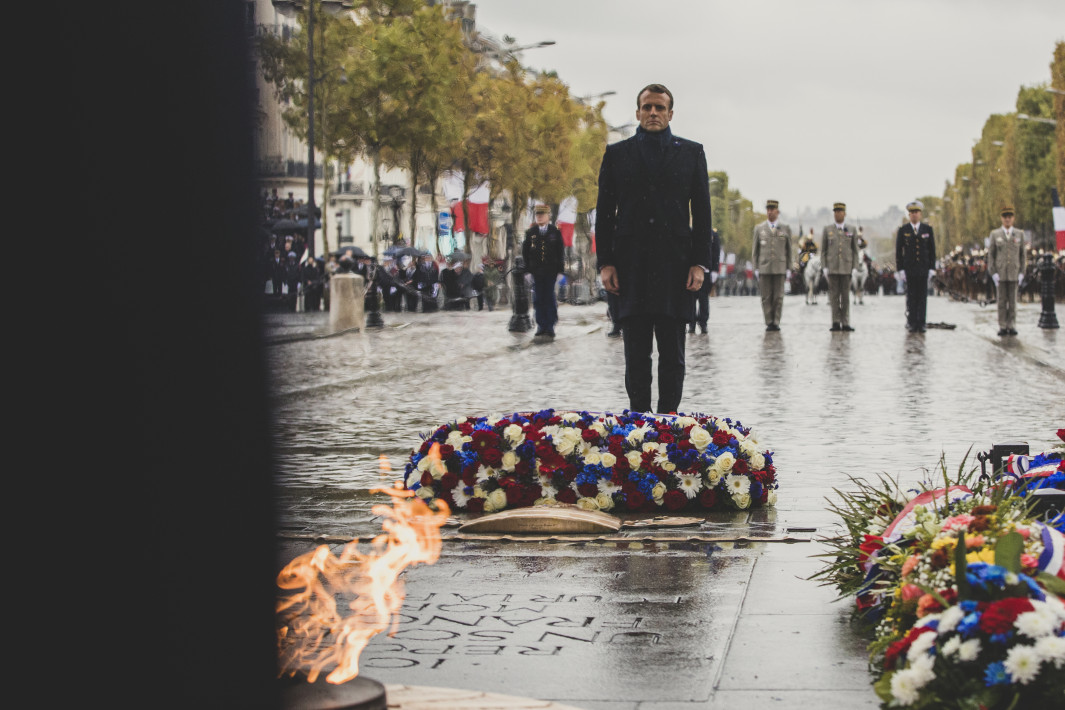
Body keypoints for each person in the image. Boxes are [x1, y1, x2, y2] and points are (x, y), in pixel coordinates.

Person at [595, 83, 712, 414]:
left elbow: (703, 213)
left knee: (673, 354)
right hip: (629, 268)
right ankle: (638, 423)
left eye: (660, 108)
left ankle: (669, 420)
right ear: (637, 112)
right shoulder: (617, 155)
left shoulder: (691, 153)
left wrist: (700, 264)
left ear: (670, 113)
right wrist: (605, 263)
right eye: (647, 107)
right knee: (635, 354)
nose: (653, 113)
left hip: (676, 267)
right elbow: (604, 214)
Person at [522, 203, 566, 337]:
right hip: (537, 272)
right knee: (538, 299)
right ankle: (541, 325)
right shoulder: (531, 233)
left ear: (548, 216)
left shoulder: (555, 232)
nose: (539, 217)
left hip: (551, 271)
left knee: (550, 298)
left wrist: (560, 271)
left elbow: (560, 252)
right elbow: (526, 253)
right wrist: (527, 271)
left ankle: (550, 325)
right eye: (537, 215)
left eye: (542, 215)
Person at [895, 200, 936, 332]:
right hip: (910, 269)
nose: (914, 215)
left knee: (922, 297)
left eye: (916, 212)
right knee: (911, 297)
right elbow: (898, 251)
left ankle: (921, 322)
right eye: (912, 212)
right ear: (909, 215)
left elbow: (932, 250)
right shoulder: (903, 230)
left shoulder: (927, 229)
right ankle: (912, 322)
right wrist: (900, 269)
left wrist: (932, 268)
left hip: (923, 268)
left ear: (920, 214)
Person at [752, 200, 792, 331]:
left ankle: (776, 321)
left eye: (772, 209)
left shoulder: (785, 228)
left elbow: (789, 250)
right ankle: (769, 321)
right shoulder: (759, 228)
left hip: (780, 267)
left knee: (778, 297)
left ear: (777, 211)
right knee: (766, 296)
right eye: (768, 209)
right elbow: (755, 251)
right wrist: (755, 268)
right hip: (764, 267)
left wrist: (789, 268)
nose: (769, 212)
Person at [987, 205, 1026, 336]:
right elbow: (991, 255)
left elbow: (1023, 255)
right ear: (1001, 218)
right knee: (1002, 302)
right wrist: (993, 273)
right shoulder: (995, 234)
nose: (1007, 219)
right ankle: (1003, 325)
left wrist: (1022, 272)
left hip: (1014, 273)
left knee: (1013, 302)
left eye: (1009, 217)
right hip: (1001, 273)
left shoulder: (1020, 234)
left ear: (1013, 218)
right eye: (1005, 217)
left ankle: (1012, 325)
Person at [821, 202, 859, 331]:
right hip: (832, 268)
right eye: (835, 211)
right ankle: (836, 322)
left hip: (846, 268)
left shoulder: (852, 229)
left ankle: (846, 322)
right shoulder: (828, 229)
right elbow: (824, 251)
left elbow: (855, 250)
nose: (837, 213)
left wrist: (854, 267)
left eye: (840, 211)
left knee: (846, 297)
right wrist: (824, 267)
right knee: (834, 297)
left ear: (845, 213)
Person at [691, 228, 720, 334]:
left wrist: (715, 270)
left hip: (707, 271)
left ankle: (703, 323)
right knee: (692, 298)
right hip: (693, 270)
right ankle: (692, 323)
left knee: (704, 299)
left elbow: (716, 253)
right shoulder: (690, 231)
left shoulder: (713, 234)